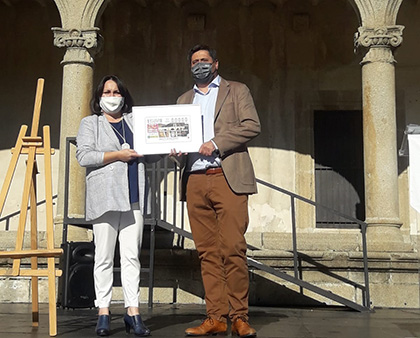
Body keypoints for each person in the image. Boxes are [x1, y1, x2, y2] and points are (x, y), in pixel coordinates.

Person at [170, 44, 261, 338]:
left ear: (216, 64)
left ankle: (240, 317)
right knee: (207, 252)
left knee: (233, 248)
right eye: (195, 61)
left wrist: (217, 142)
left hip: (227, 174)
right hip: (194, 179)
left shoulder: (237, 90)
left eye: (204, 60)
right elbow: (178, 137)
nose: (200, 65)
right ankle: (215, 317)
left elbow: (252, 125)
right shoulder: (183, 100)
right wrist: (174, 152)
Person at [76, 75, 159, 337]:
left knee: (131, 255)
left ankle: (133, 311)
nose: (112, 97)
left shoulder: (136, 121)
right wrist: (117, 155)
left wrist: (171, 148)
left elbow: (151, 151)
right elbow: (84, 155)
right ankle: (103, 311)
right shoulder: (91, 123)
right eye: (107, 92)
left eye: (116, 92)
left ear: (124, 96)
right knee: (103, 256)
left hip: (133, 196)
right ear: (99, 97)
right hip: (105, 196)